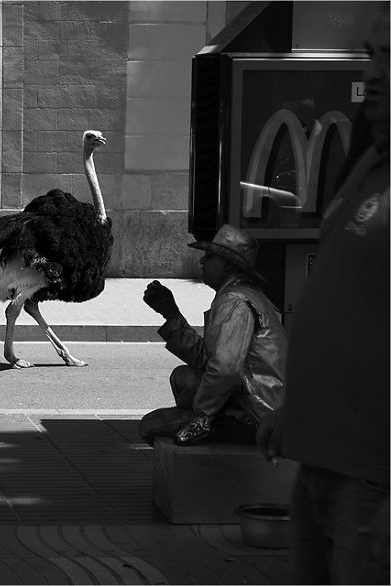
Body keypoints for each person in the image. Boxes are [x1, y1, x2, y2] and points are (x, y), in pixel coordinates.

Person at [257, 8, 389, 583]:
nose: (376, 72)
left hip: (373, 482)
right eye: (375, 53)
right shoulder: (369, 161)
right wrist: (297, 413)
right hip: (321, 463)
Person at [139, 224, 287, 446]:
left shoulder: (234, 302)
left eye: (209, 257)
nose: (201, 262)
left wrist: (202, 416)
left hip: (257, 413)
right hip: (253, 398)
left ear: (227, 265)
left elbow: (225, 370)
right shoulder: (243, 295)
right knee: (182, 377)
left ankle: (221, 428)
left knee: (150, 426)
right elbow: (211, 359)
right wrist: (171, 314)